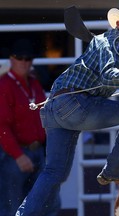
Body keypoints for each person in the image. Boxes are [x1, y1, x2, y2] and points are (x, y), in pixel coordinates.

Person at [16, 1, 119, 215]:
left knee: (54, 172)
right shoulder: (108, 43)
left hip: (55, 108)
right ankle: (115, 172)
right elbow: (109, 75)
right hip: (74, 106)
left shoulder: (116, 44)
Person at [0, 39, 60, 216]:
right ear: (11, 59)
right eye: (20, 58)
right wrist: (18, 155)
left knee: (48, 203)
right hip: (15, 156)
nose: (24, 62)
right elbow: (2, 125)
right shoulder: (5, 85)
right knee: (13, 207)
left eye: (28, 58)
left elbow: (44, 115)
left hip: (36, 152)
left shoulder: (33, 83)